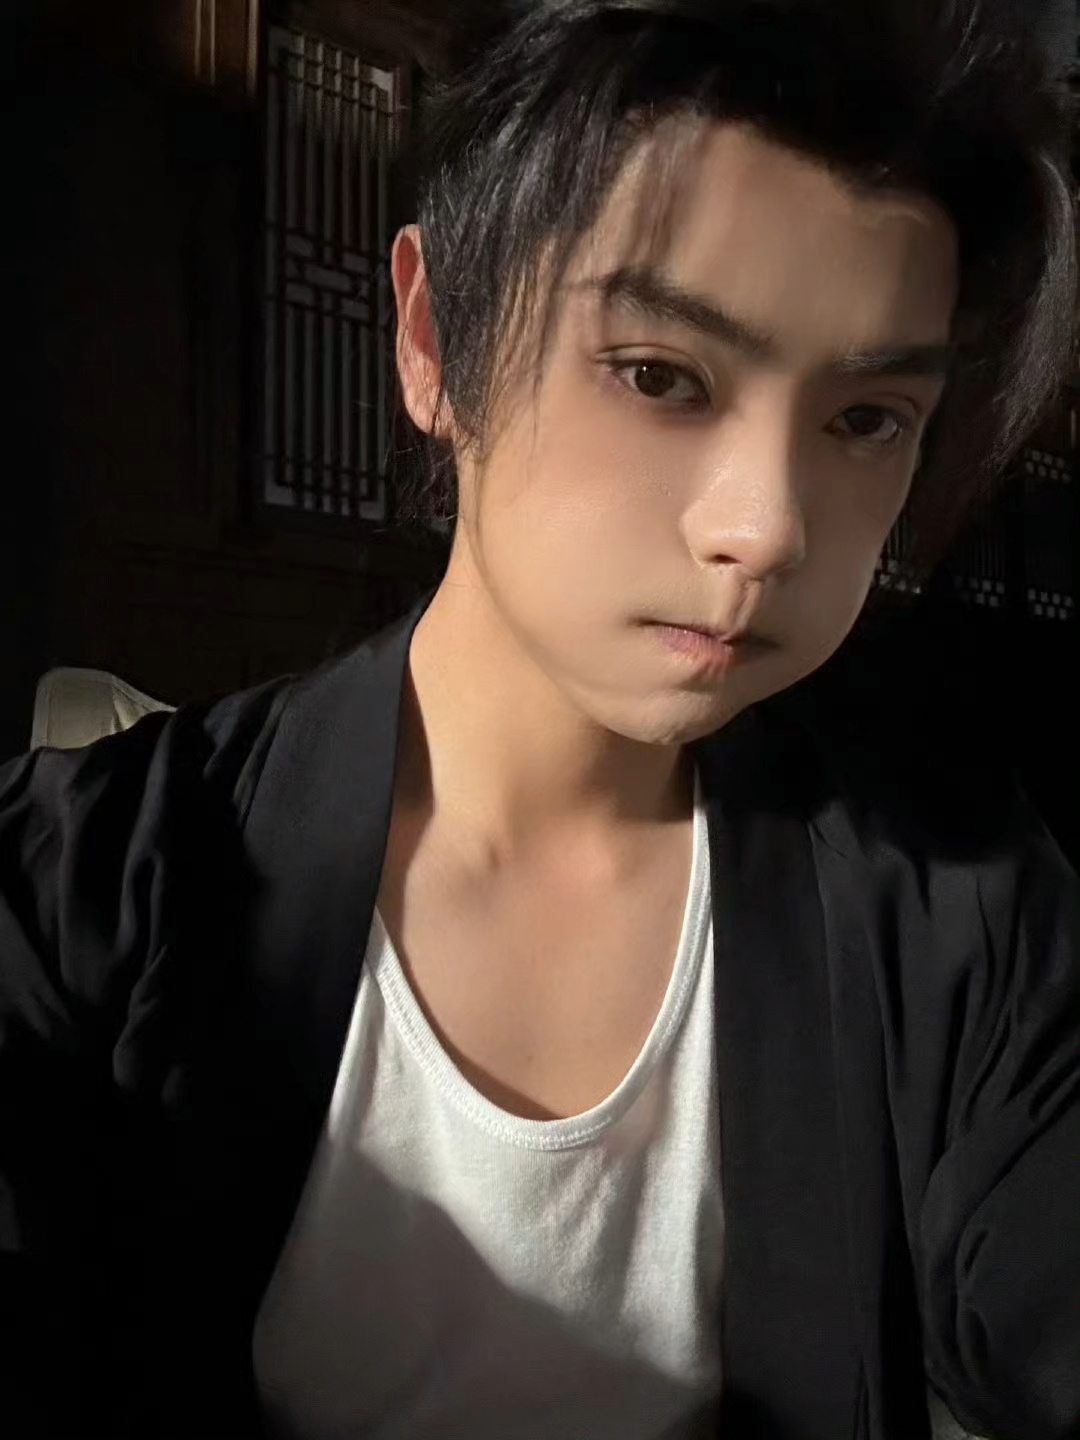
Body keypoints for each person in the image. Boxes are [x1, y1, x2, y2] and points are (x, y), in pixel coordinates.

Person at [1, 1, 1077, 1437]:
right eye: (662, 376)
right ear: (435, 337)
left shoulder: (964, 917)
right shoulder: (81, 887)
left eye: (867, 418)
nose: (767, 526)